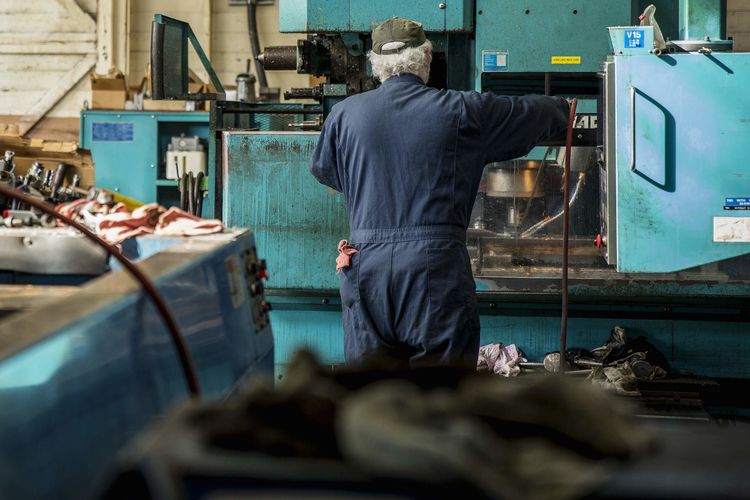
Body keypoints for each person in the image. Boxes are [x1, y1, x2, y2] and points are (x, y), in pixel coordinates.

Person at [310, 17, 569, 369]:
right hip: (432, 271)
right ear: (427, 56)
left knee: (371, 395)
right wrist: (562, 108)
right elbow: (529, 113)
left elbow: (328, 172)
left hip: (364, 269)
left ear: (374, 63)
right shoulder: (461, 110)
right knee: (440, 400)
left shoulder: (342, 115)